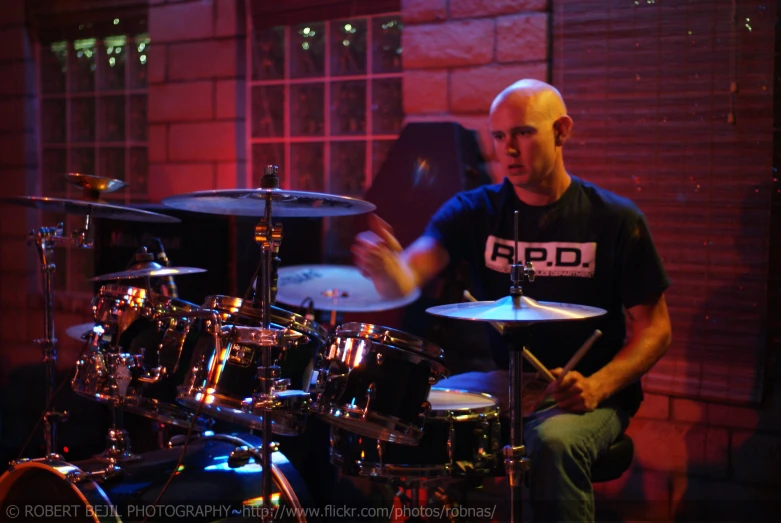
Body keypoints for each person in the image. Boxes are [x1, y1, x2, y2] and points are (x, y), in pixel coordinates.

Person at [352, 79, 672, 522]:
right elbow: (408, 276)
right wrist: (388, 271)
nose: (508, 149)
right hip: (507, 381)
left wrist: (598, 385)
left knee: (554, 443)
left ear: (561, 131)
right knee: (419, 416)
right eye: (499, 136)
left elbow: (655, 329)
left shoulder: (614, 220)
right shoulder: (473, 210)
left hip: (585, 392)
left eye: (523, 133)